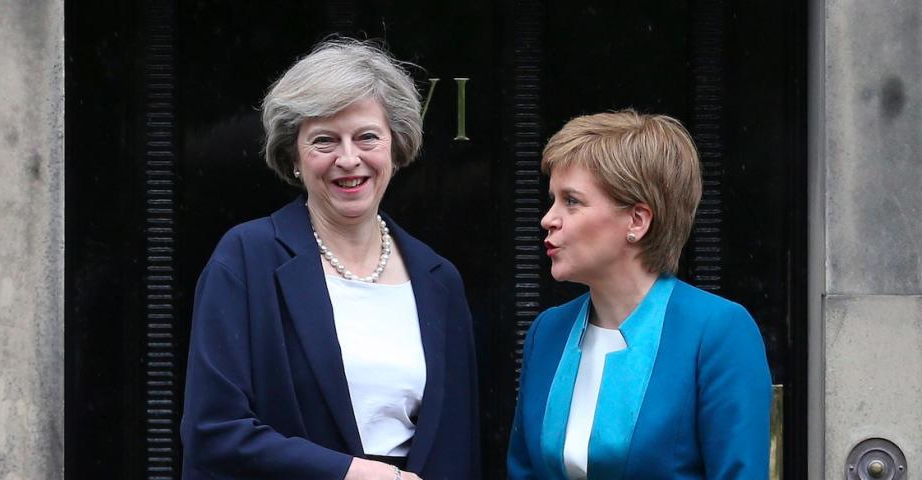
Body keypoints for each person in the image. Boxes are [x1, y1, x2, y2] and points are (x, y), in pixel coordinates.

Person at [181, 38, 479, 480]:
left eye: (367, 137)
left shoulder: (439, 280)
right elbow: (213, 431)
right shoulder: (246, 258)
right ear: (294, 157)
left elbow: (458, 448)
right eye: (324, 140)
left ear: (396, 149)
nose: (348, 158)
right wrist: (355, 474)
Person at [507, 110, 771, 479]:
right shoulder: (547, 332)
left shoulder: (717, 332)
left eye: (572, 201)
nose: (548, 218)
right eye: (553, 199)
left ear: (637, 220)